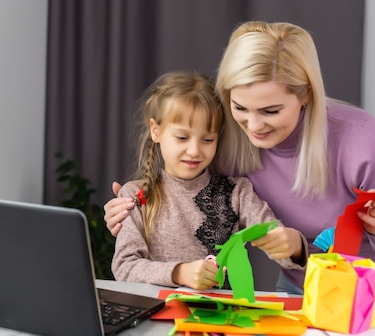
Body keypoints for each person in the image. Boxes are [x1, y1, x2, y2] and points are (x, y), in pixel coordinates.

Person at [105, 21, 375, 303]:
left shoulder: (362, 141)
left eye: (270, 111)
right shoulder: (224, 139)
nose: (254, 126)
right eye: (240, 107)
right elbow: (183, 195)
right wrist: (129, 213)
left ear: (306, 95)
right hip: (301, 290)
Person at [111, 70, 307, 291]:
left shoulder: (237, 192)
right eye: (182, 137)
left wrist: (293, 245)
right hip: (156, 315)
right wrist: (180, 272)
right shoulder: (136, 196)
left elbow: (276, 239)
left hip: (221, 319)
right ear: (156, 131)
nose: (194, 150)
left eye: (207, 139)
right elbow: (124, 267)